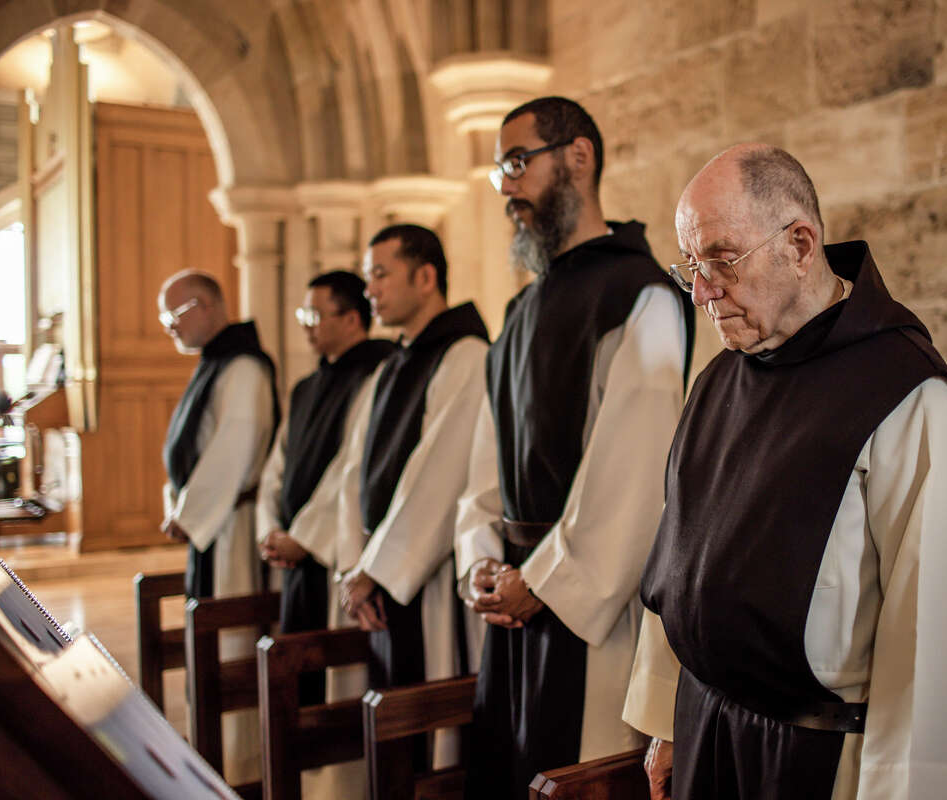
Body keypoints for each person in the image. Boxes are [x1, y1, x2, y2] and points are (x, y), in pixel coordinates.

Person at [626, 144, 947, 800]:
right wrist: (666, 721)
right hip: (706, 728)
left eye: (721, 260)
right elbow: (680, 552)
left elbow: (927, 649)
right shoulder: (718, 380)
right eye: (691, 268)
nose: (702, 291)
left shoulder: (907, 394)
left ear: (798, 244)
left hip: (818, 763)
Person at [455, 96, 694, 798]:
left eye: (518, 163)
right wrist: (481, 560)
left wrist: (544, 582)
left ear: (580, 157)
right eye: (501, 169)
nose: (506, 187)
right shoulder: (518, 310)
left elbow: (634, 466)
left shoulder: (638, 295)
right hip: (514, 599)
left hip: (590, 610)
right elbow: (487, 460)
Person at [336, 224, 490, 769]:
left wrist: (376, 569)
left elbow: (440, 475)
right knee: (395, 736)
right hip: (383, 578)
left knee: (432, 743)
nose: (369, 290)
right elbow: (355, 469)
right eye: (366, 277)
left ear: (426, 277)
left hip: (429, 582)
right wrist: (357, 565)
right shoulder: (392, 364)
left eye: (380, 274)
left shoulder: (466, 355)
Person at [158, 269, 278, 784]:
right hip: (215, 526)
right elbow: (193, 448)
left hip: (234, 529)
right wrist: (179, 503)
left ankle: (241, 765)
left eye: (175, 315)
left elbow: (236, 446)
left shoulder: (244, 367)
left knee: (231, 645)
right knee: (212, 638)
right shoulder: (217, 362)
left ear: (207, 306)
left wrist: (189, 513)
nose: (169, 327)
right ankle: (215, 755)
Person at [256, 270, 394, 704]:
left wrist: (304, 538)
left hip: (334, 550)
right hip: (298, 557)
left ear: (353, 318)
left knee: (341, 687)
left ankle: (338, 773)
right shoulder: (305, 387)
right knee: (299, 679)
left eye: (314, 313)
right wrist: (271, 529)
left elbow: (348, 470)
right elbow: (276, 466)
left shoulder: (377, 375)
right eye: (303, 313)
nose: (305, 324)